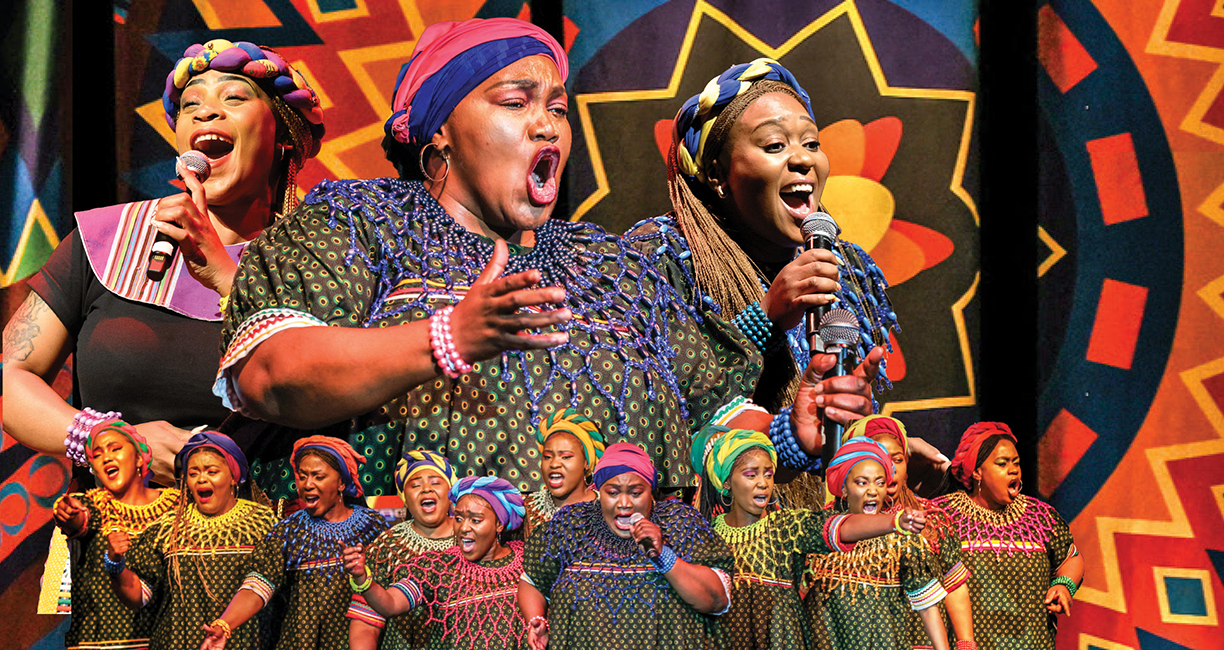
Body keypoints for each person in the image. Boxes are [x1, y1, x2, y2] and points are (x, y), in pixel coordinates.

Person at [212, 19, 870, 499]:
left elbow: (709, 424)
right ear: (440, 131)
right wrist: (446, 337)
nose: (547, 122)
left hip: (611, 597)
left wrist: (788, 439)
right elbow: (267, 373)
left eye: (556, 106)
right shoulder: (362, 221)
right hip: (421, 592)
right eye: (515, 102)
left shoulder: (612, 266)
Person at [2, 39, 324, 482]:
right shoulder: (105, 240)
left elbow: (327, 394)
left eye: (233, 97)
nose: (205, 112)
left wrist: (225, 274)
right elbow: (12, 377)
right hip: (113, 536)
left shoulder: (321, 262)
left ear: (284, 133)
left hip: (267, 538)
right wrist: (105, 439)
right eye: (190, 104)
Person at [625, 58, 945, 499]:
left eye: (812, 143)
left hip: (824, 537)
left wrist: (882, 451)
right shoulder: (659, 261)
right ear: (718, 173)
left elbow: (826, 412)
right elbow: (661, 419)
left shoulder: (841, 267)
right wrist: (765, 320)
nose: (801, 159)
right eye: (774, 145)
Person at [690, 424, 926, 649]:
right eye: (751, 475)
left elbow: (843, 526)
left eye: (769, 474)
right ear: (726, 483)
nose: (763, 483)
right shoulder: (707, 537)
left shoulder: (787, 526)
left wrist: (894, 522)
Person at [519, 443, 732, 650]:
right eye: (612, 493)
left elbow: (718, 600)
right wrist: (537, 619)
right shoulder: (571, 526)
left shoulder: (679, 523)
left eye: (635, 493)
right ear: (599, 492)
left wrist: (663, 556)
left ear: (651, 493)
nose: (624, 503)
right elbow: (532, 581)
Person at [202, 436, 389, 649]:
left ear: (341, 482)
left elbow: (385, 591)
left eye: (318, 477)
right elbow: (258, 584)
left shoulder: (372, 527)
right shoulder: (288, 531)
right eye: (302, 477)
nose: (308, 485)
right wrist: (225, 624)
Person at [112, 432, 279, 650]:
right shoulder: (166, 528)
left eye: (212, 471)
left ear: (233, 476)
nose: (201, 479)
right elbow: (139, 596)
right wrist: (115, 565)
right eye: (193, 473)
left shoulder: (262, 523)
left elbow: (262, 582)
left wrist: (224, 625)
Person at [928, 423, 1084, 650]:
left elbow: (1071, 558)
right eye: (1002, 463)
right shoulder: (942, 517)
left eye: (1016, 463)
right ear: (977, 471)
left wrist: (1064, 585)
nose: (1013, 470)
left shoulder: (1041, 516)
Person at [344, 476, 529, 650]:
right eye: (458, 518)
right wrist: (362, 579)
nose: (464, 528)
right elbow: (390, 604)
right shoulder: (438, 567)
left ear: (499, 524)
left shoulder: (526, 561)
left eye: (476, 520)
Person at [843, 415, 977, 649]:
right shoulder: (833, 526)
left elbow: (954, 584)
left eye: (898, 459)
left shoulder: (931, 518)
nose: (890, 468)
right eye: (879, 459)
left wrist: (966, 643)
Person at [804, 438, 950, 650]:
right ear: (844, 490)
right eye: (862, 483)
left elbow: (927, 606)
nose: (873, 491)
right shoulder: (820, 536)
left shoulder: (904, 540)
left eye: (880, 482)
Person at [52, 420, 182, 650]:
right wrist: (67, 513)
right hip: (103, 641)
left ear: (139, 458)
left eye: (115, 448)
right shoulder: (90, 505)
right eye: (98, 454)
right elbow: (78, 520)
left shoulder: (178, 507)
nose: (107, 457)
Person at [347, 450, 460, 650]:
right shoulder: (387, 546)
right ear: (404, 498)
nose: (426, 489)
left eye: (435, 482)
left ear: (450, 493)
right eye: (416, 485)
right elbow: (365, 620)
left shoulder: (471, 537)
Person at [525, 408, 605, 524]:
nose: (554, 464)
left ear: (586, 463)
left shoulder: (608, 508)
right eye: (547, 457)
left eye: (566, 457)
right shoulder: (525, 509)